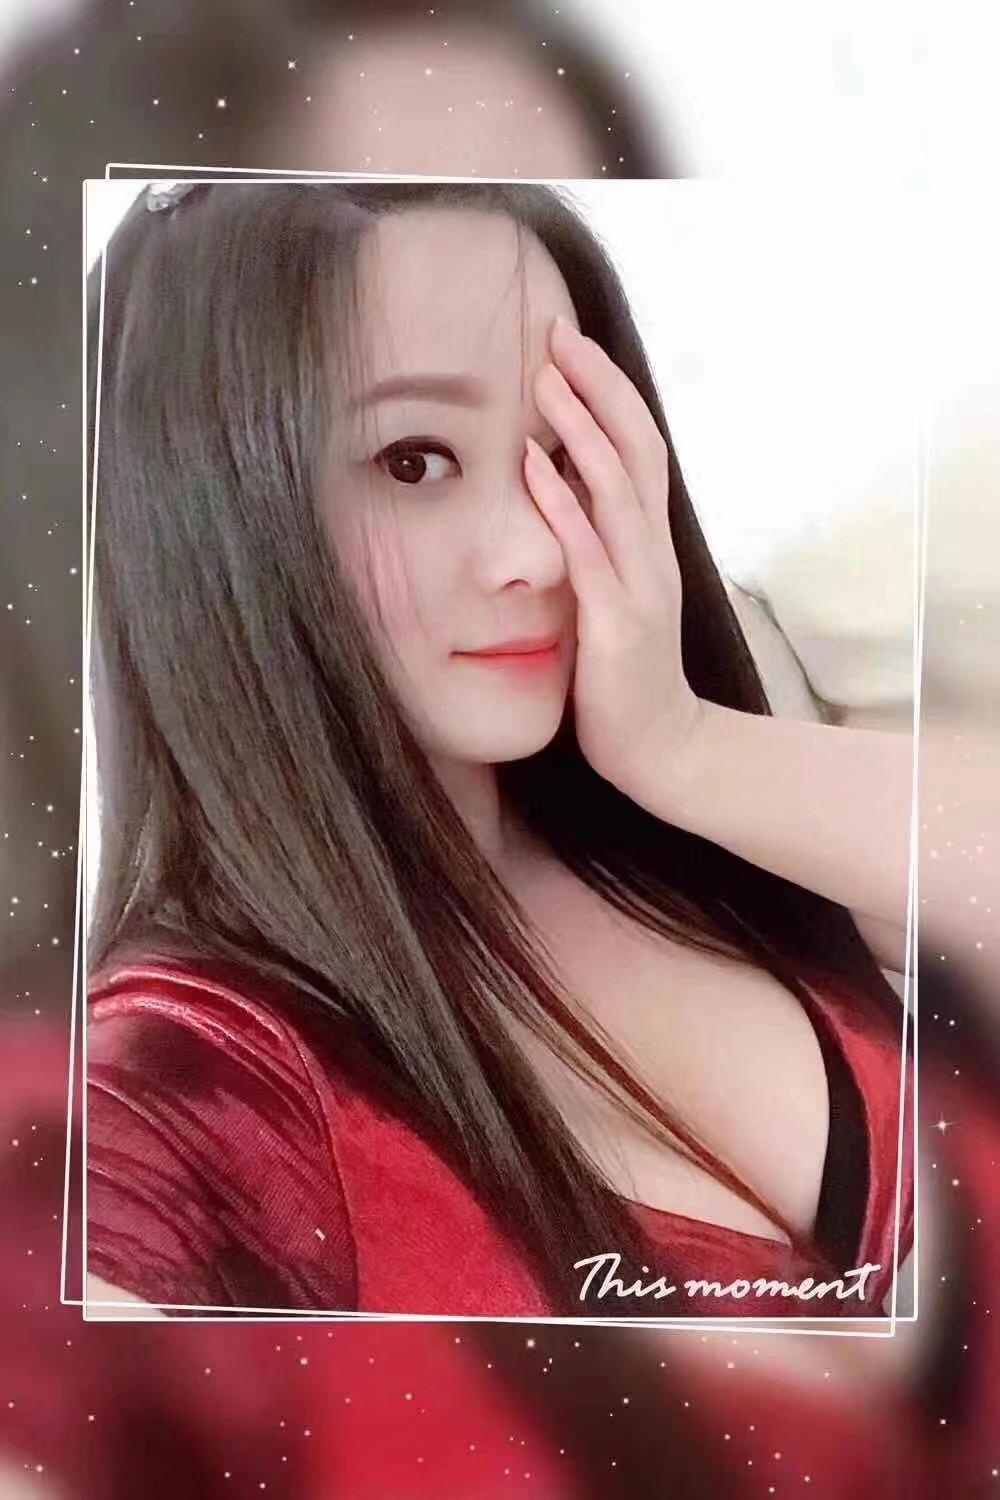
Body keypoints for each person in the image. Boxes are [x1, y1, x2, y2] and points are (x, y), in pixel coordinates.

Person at [85, 178, 914, 1320]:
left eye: (563, 452)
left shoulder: (689, 834)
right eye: (414, 462)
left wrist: (683, 747)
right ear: (209, 506)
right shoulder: (178, 1086)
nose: (538, 551)